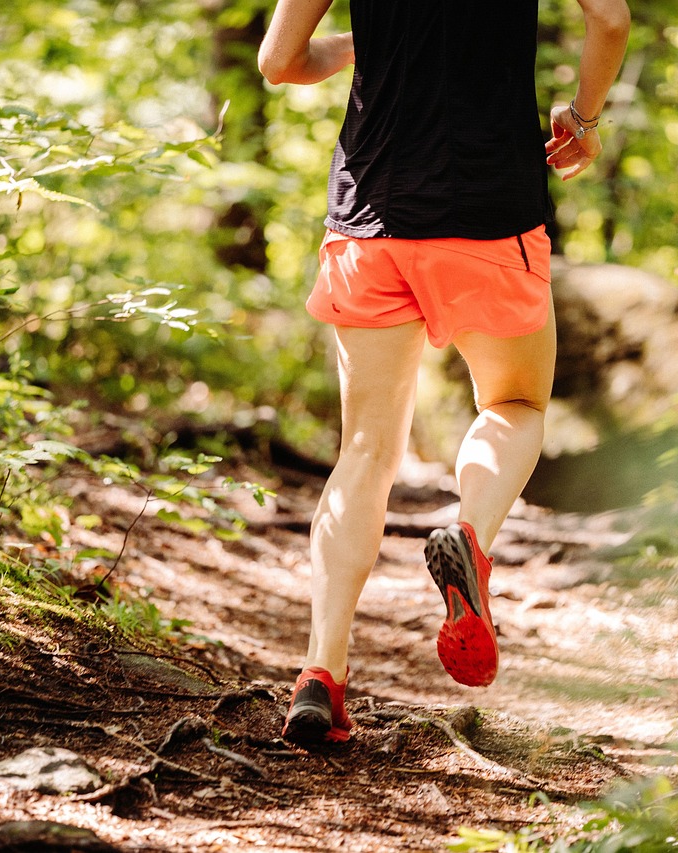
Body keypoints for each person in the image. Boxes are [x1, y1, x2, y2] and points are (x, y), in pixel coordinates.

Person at [258, 0, 630, 745]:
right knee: (516, 400)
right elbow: (611, 20)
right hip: (493, 210)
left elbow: (279, 62)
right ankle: (470, 534)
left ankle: (320, 674)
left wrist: (364, 47)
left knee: (364, 449)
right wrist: (582, 122)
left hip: (372, 211)